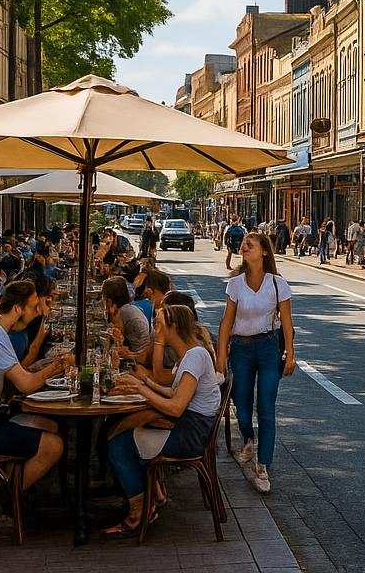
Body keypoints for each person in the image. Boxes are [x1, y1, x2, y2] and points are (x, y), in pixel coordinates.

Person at [105, 304, 222, 539]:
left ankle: (139, 512)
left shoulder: (195, 356)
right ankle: (146, 498)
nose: (155, 329)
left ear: (173, 326)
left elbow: (177, 407)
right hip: (188, 428)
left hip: (189, 435)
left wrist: (139, 386)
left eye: (158, 324)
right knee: (121, 433)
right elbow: (173, 393)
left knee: (118, 445)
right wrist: (144, 383)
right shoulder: (189, 355)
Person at [216, 231, 295, 494]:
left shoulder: (277, 284)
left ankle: (263, 466)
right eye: (243, 245)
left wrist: (290, 354)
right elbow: (226, 322)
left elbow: (287, 323)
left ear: (264, 252)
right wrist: (220, 357)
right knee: (242, 402)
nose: (244, 246)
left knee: (266, 407)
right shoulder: (235, 284)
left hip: (269, 347)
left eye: (250, 244)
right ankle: (248, 439)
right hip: (241, 349)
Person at [0, 282, 71, 489]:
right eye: (33, 306)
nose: (37, 312)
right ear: (18, 309)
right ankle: (9, 497)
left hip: (1, 413)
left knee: (52, 425)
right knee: (54, 445)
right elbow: (26, 385)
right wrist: (57, 366)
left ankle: (11, 479)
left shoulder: (0, 329)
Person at [102, 275, 152, 356]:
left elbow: (119, 344)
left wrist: (114, 321)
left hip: (138, 359)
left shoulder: (124, 315)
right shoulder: (127, 308)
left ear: (109, 301)